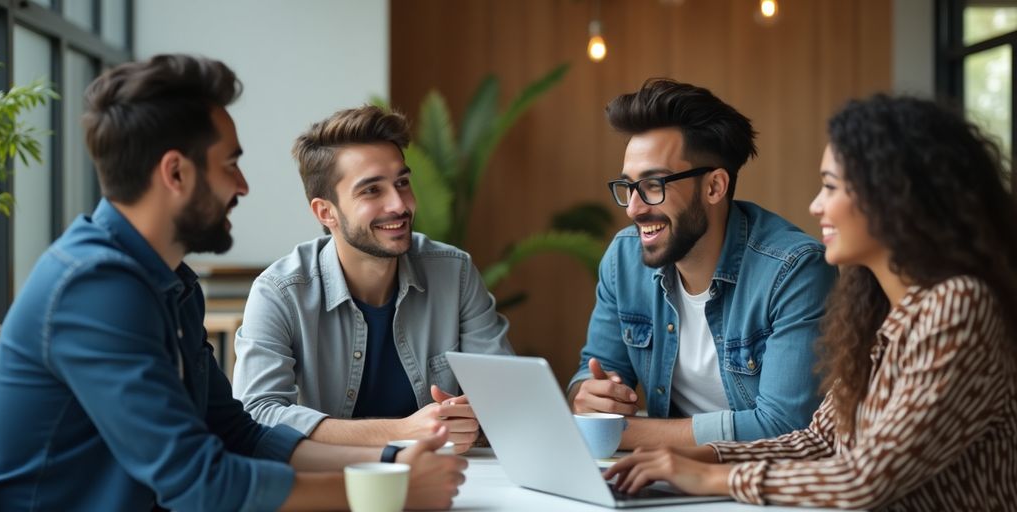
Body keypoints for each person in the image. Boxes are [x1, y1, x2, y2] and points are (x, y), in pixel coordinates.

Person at [0, 54, 465, 511]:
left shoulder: (170, 284)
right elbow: (200, 483)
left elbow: (241, 435)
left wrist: (391, 463)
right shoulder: (94, 290)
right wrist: (389, 492)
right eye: (229, 164)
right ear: (175, 172)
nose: (242, 185)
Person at [604, 94, 1017, 510]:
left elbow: (864, 479)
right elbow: (819, 441)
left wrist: (709, 475)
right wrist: (695, 456)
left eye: (831, 187)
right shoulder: (879, 310)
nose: (815, 205)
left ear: (895, 197)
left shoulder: (958, 306)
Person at [568, 79, 837, 447]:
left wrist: (618, 432)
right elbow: (592, 374)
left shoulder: (794, 270)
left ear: (714, 187)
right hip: (675, 480)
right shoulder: (624, 259)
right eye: (628, 186)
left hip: (764, 487)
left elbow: (786, 427)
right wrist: (589, 395)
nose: (633, 208)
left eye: (653, 186)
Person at [232, 105, 512, 453]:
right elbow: (257, 413)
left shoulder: (454, 273)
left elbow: (507, 400)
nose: (399, 204)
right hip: (330, 487)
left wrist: (477, 420)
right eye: (371, 191)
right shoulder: (280, 293)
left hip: (443, 478)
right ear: (326, 212)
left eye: (402, 183)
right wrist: (402, 431)